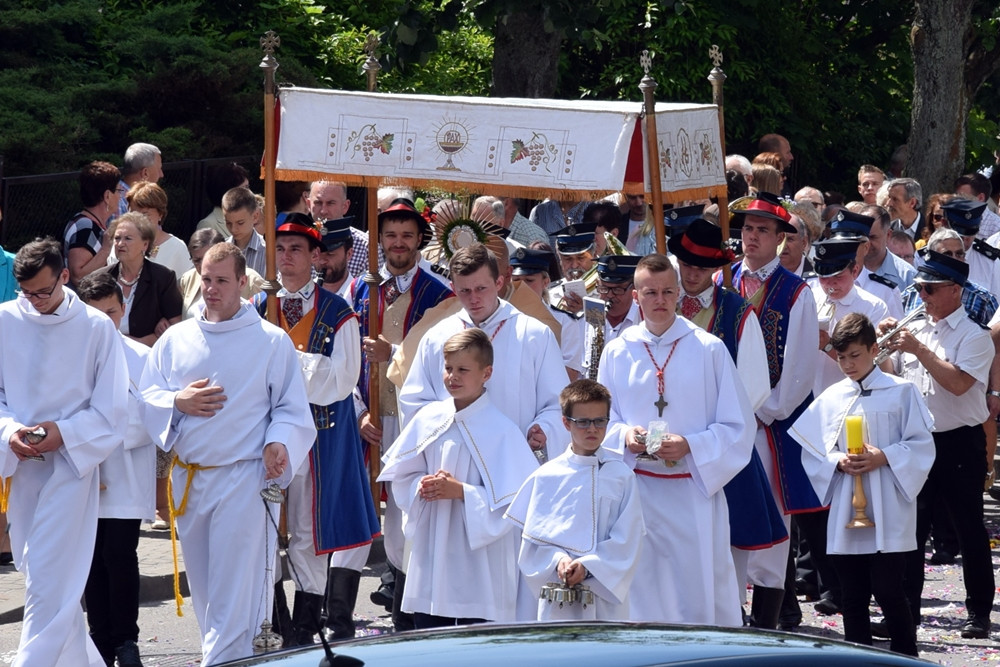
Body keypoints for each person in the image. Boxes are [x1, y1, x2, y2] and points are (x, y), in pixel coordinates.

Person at [140, 242, 315, 664]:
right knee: (206, 588)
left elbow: (291, 408)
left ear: (242, 282)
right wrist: (177, 402)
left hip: (244, 478)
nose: (212, 289)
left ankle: (221, 660)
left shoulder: (270, 341)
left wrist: (278, 442)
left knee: (235, 587)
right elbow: (146, 396)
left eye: (222, 280)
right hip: (190, 478)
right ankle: (226, 655)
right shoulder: (176, 339)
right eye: (206, 279)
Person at [599, 253, 755, 625]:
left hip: (691, 493)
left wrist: (690, 445)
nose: (660, 300)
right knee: (641, 589)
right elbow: (601, 419)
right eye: (650, 292)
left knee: (692, 589)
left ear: (678, 292)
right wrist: (625, 435)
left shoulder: (708, 349)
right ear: (636, 297)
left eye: (668, 291)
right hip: (637, 492)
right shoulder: (618, 350)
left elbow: (738, 426)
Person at [0, 238, 128, 666]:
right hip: (23, 467)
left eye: (43, 291)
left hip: (72, 467)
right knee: (40, 572)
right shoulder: (4, 320)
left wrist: (65, 433)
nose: (34, 302)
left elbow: (112, 410)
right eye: (26, 293)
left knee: (49, 576)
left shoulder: (95, 328)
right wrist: (9, 432)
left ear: (65, 276)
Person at [259, 220, 377, 644]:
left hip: (317, 438)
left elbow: (343, 378)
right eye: (281, 248)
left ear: (315, 257)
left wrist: (287, 362)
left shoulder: (338, 312)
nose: (286, 256)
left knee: (308, 531)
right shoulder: (257, 306)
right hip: (266, 437)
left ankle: (306, 624)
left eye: (296, 248)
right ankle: (273, 619)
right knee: (263, 526)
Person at [792, 313, 934, 656]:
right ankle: (859, 658)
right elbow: (813, 452)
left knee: (888, 589)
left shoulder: (901, 391)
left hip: (889, 502)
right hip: (847, 506)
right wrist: (837, 462)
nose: (847, 365)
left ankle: (905, 656)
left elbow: (922, 445)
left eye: (855, 355)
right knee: (852, 594)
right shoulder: (832, 397)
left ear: (873, 349)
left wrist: (884, 456)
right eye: (841, 357)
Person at [379, 329, 538, 627]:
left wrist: (462, 492)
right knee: (430, 632)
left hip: (479, 558)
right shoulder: (428, 419)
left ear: (486, 373)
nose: (453, 377)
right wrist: (420, 485)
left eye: (463, 370)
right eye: (448, 368)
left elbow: (518, 502)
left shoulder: (502, 430)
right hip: (433, 544)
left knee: (475, 636)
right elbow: (402, 474)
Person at [715, 191, 821, 629]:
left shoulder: (796, 293)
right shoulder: (721, 283)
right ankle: (728, 616)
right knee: (726, 521)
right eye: (747, 228)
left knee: (773, 527)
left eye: (763, 230)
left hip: (769, 428)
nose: (752, 237)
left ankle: (766, 623)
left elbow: (800, 370)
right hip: (723, 426)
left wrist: (764, 411)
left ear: (781, 238)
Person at [350, 197, 452, 630]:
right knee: (362, 511)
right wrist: (359, 413)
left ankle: (410, 609)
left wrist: (393, 354)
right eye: (390, 235)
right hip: (371, 418)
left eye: (406, 235)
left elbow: (445, 361)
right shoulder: (360, 289)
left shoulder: (440, 294)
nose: (398, 243)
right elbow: (344, 360)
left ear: (419, 240)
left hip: (414, 419)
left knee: (409, 512)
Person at [882, 250, 996, 639]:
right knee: (911, 531)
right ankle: (906, 613)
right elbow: (893, 379)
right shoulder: (917, 329)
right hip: (918, 440)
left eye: (930, 289)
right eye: (919, 288)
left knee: (969, 529)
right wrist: (883, 349)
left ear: (955, 290)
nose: (922, 296)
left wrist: (919, 350)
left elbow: (959, 384)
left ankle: (978, 612)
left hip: (960, 442)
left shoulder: (975, 336)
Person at [400, 243, 566, 461]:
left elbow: (557, 403)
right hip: (454, 461)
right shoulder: (436, 337)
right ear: (453, 287)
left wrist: (543, 429)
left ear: (499, 282)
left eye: (481, 289)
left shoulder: (534, 335)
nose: (474, 299)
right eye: (465, 291)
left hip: (512, 459)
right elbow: (415, 402)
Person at [504, 379, 645, 621]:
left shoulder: (621, 476)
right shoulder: (547, 476)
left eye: (600, 421)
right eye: (583, 422)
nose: (592, 429)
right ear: (566, 423)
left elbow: (628, 540)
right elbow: (533, 545)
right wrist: (559, 561)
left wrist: (589, 567)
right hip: (557, 594)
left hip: (603, 596)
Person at [76, 272, 156, 667]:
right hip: (85, 474)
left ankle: (126, 639)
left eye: (110, 312)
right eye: (96, 315)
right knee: (90, 558)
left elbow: (150, 416)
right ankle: (99, 638)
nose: (105, 323)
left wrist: (104, 430)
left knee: (119, 553)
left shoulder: (142, 357)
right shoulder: (72, 359)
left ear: (123, 310)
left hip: (125, 474)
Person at [97, 212, 183, 346]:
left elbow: (176, 327)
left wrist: (141, 343)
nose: (120, 243)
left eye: (128, 238)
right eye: (117, 238)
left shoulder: (163, 278)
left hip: (148, 353)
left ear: (145, 244)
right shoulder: (99, 278)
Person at [510, 247, 584, 381]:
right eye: (516, 280)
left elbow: (570, 374)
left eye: (529, 280)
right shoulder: (501, 317)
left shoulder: (565, 322)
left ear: (545, 282)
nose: (522, 286)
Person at [179, 229, 265, 320]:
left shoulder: (252, 280)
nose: (202, 264)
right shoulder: (188, 278)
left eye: (222, 280)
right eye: (197, 260)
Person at [65, 161, 120, 287]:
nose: (120, 196)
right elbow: (78, 277)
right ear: (107, 196)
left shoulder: (89, 223)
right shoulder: (85, 227)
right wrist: (106, 250)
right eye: (118, 191)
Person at [125, 181, 193, 280]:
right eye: (133, 213)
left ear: (160, 214)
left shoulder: (177, 247)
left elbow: (187, 285)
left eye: (145, 214)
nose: (138, 219)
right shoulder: (121, 243)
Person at [222, 186, 267, 277]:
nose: (233, 229)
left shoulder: (268, 253)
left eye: (240, 223)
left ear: (255, 217)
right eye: (228, 223)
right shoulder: (220, 250)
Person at [196, 162, 249, 238]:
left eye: (247, 187)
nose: (249, 193)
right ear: (227, 192)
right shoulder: (207, 224)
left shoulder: (251, 216)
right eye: (243, 189)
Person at [314, 216, 354, 298]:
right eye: (317, 254)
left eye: (330, 254)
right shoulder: (301, 294)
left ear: (348, 254)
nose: (322, 260)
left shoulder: (361, 296)